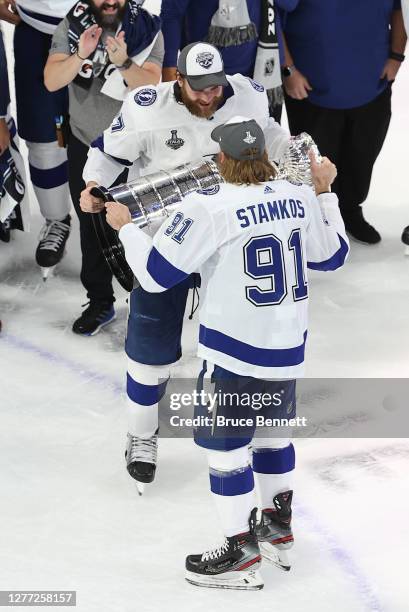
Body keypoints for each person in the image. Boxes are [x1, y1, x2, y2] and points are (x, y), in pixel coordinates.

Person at [103, 116, 349, 590]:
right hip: (286, 349)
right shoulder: (297, 196)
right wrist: (324, 191)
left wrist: (127, 227)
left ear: (222, 159)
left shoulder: (207, 205)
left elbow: (157, 276)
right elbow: (333, 255)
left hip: (234, 353)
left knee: (225, 450)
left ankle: (239, 551)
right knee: (272, 440)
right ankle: (278, 531)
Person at [80, 42, 290, 487]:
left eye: (215, 87)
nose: (209, 96)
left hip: (229, 243)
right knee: (150, 352)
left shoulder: (247, 94)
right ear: (179, 80)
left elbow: (274, 141)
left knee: (239, 347)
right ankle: (141, 435)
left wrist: (297, 165)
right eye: (199, 89)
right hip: (165, 238)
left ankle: (245, 432)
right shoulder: (145, 106)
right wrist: (94, 183)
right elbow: (107, 150)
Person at [44, 0, 163, 335]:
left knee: (139, 225)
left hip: (135, 149)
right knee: (91, 224)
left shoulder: (147, 27)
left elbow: (150, 86)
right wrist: (81, 54)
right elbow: (52, 80)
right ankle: (100, 301)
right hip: (85, 140)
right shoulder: (72, 23)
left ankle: (146, 302)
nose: (109, 2)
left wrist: (124, 62)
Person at [279, 0, 407, 244]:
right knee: (314, 163)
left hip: (371, 82)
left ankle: (349, 211)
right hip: (311, 86)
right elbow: (272, 18)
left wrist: (396, 56)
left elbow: (400, 9)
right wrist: (288, 69)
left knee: (362, 156)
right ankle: (316, 221)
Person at [5, 0, 77, 277]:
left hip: (104, 23)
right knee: (45, 136)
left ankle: (105, 219)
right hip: (36, 26)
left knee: (106, 134)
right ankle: (57, 218)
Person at [160, 0, 292, 123]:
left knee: (265, 143)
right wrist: (169, 72)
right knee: (211, 145)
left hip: (264, 74)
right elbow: (172, 14)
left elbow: (290, 4)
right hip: (208, 81)